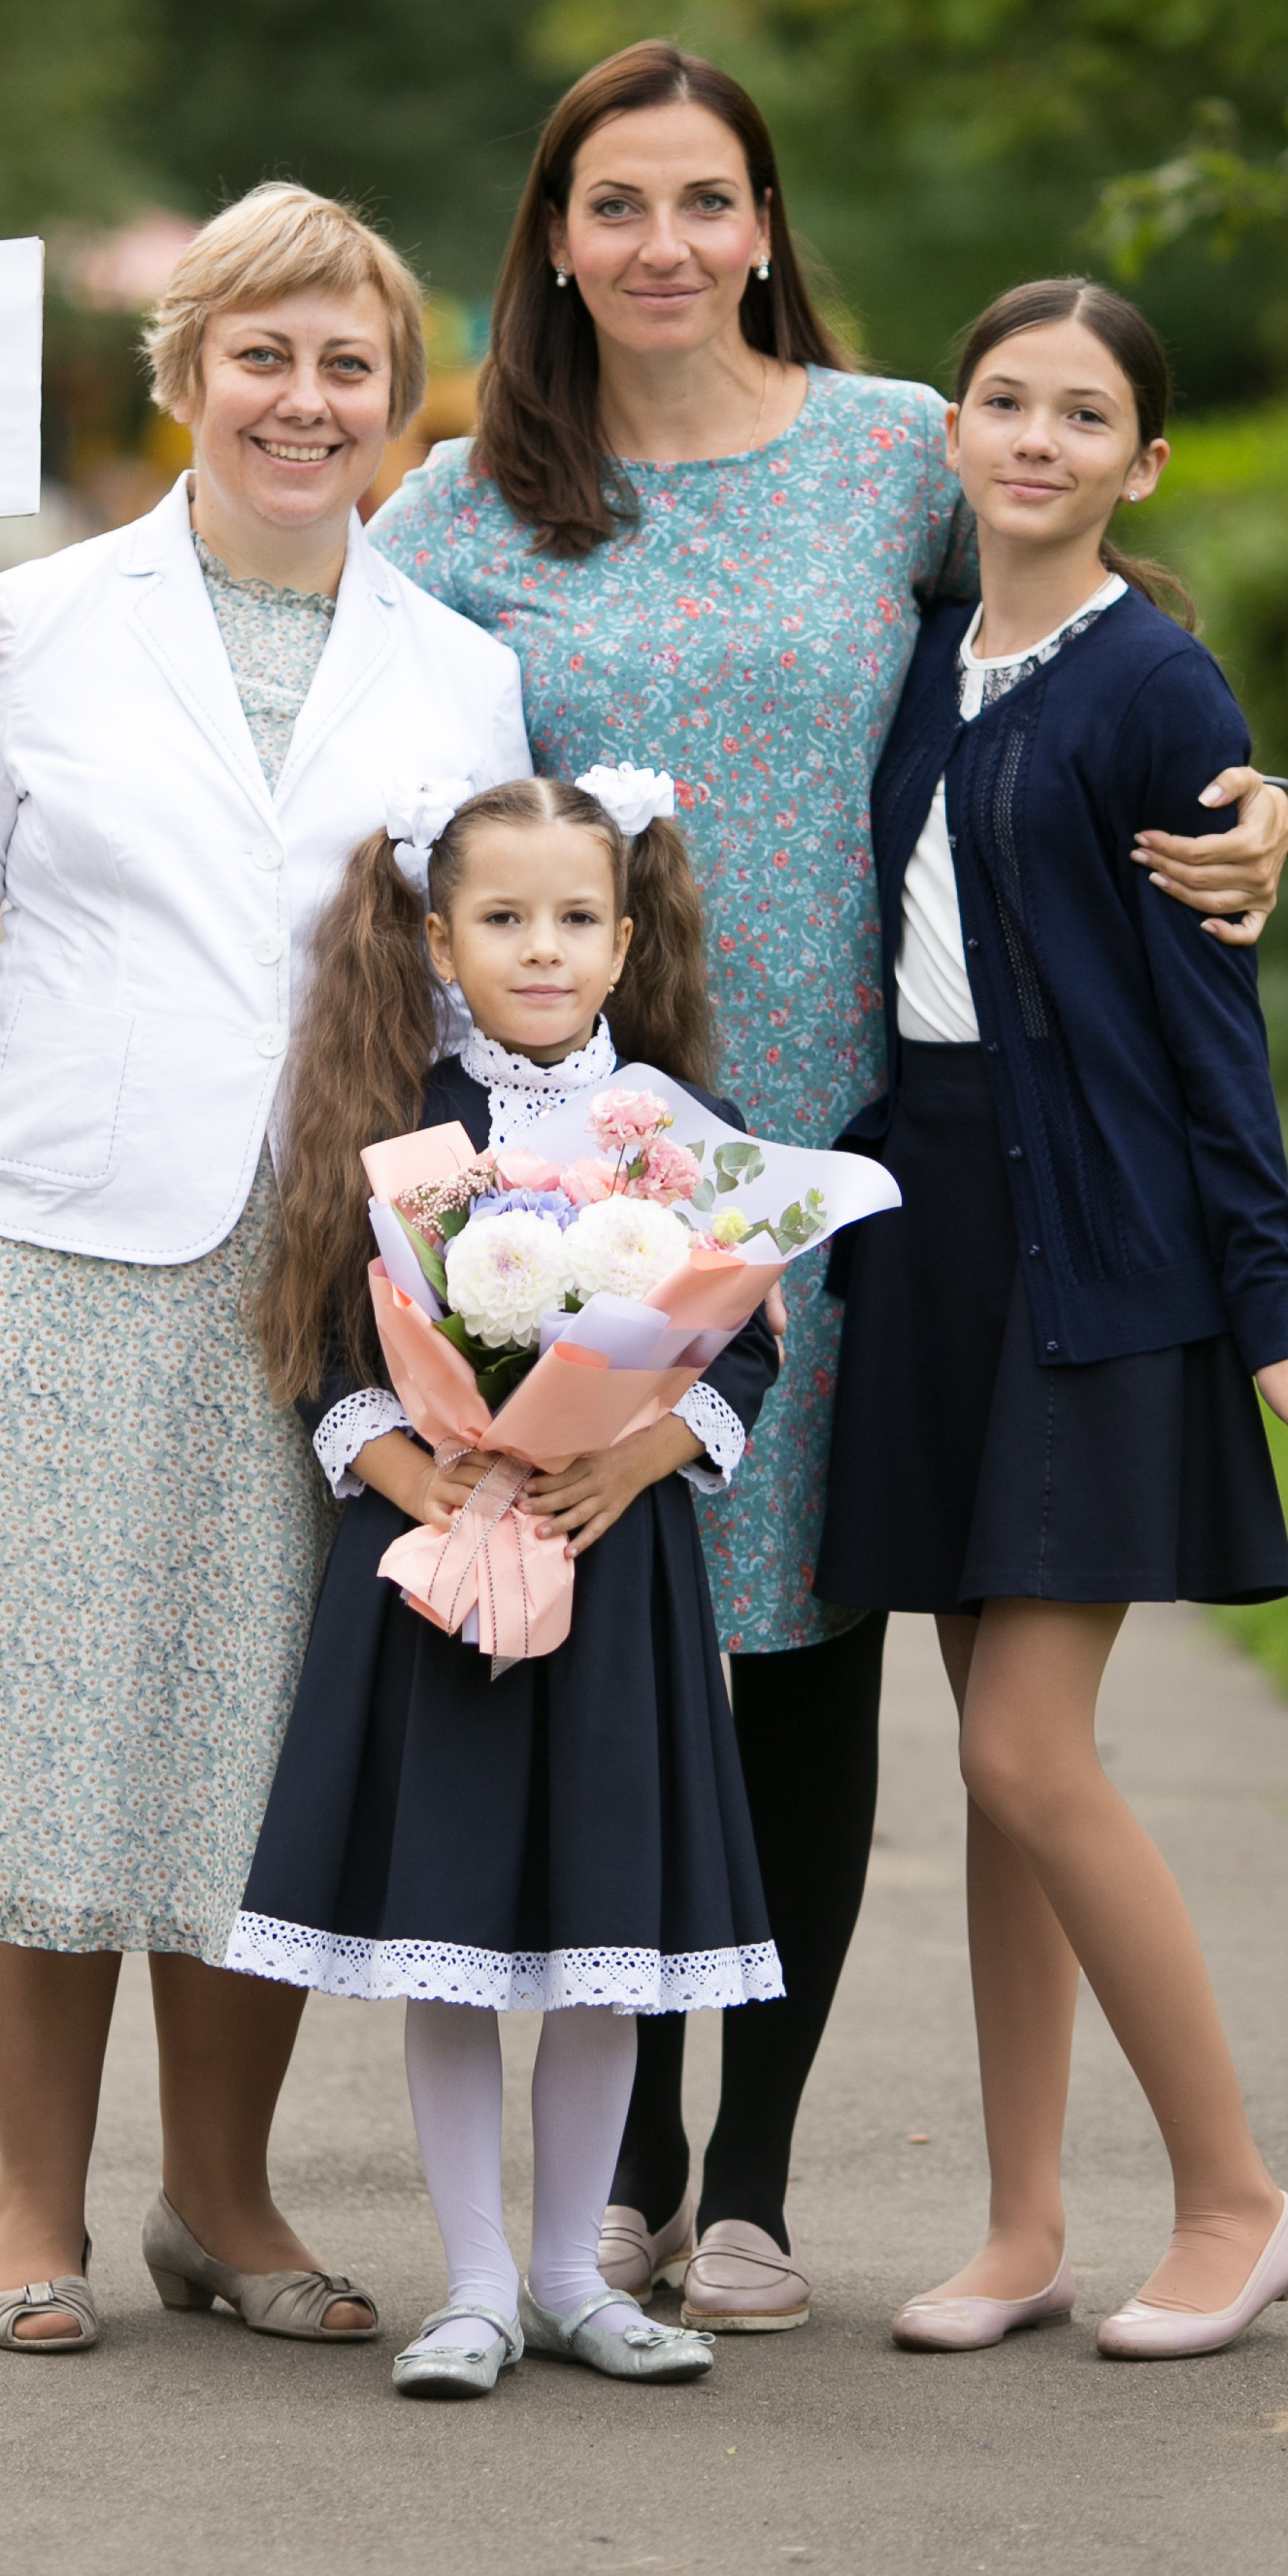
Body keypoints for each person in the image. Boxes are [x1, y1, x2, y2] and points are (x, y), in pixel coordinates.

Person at [0, 43, 1288, 2327]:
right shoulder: (462, 500)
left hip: (834, 1155)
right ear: (550, 238)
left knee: (797, 1654)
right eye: (615, 203)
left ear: (762, 225)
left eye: (704, 199)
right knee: (595, 1642)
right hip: (558, 1176)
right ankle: (613, 2178)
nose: (663, 242)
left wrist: (1264, 791)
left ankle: (749, 2177)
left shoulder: (888, 453)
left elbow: (1077, 621)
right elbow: (279, 668)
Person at [0, 182, 527, 2355]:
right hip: (43, 1255)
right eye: (260, 356)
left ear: (399, 401)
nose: (303, 400)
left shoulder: (463, 669)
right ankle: (32, 2204)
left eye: (346, 364)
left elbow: (489, 990)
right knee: (39, 1735)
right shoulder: (29, 621)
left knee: (251, 1750)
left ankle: (221, 2195)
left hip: (314, 1289)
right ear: (184, 374)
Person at [815, 277, 1288, 2361]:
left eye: (1079, 413)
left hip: (1098, 1253)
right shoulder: (923, 656)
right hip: (934, 1235)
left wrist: (1269, 1313)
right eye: (1002, 400)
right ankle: (1020, 2222)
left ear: (1141, 460)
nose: (1033, 438)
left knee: (1022, 1744)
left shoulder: (1153, 678)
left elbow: (1210, 1023)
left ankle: (1237, 2198)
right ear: (951, 430)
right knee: (998, 1769)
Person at [228, 772, 782, 2399]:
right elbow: (329, 1337)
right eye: (502, 917)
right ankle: (473, 2282)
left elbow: (742, 1341)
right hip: (442, 1575)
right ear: (436, 938)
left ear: (624, 941)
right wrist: (415, 1472)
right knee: (453, 1930)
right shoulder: (396, 1120)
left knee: (604, 1931)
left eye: (575, 917)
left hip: (613, 1570)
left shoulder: (672, 1130)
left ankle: (567, 2277)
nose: (541, 948)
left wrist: (642, 1451)